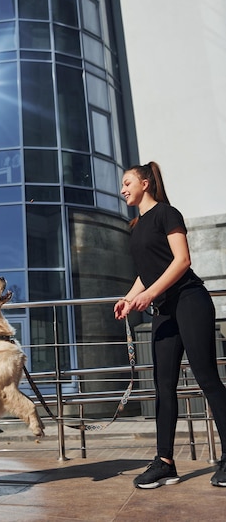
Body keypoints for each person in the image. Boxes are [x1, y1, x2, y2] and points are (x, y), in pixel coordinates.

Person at [114, 161, 226, 489]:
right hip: (164, 311)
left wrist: (148, 294)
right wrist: (130, 296)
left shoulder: (167, 213)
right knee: (163, 386)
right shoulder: (137, 226)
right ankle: (165, 463)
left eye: (127, 182)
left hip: (190, 301)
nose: (123, 189)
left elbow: (182, 260)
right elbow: (146, 272)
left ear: (146, 183)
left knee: (207, 378)